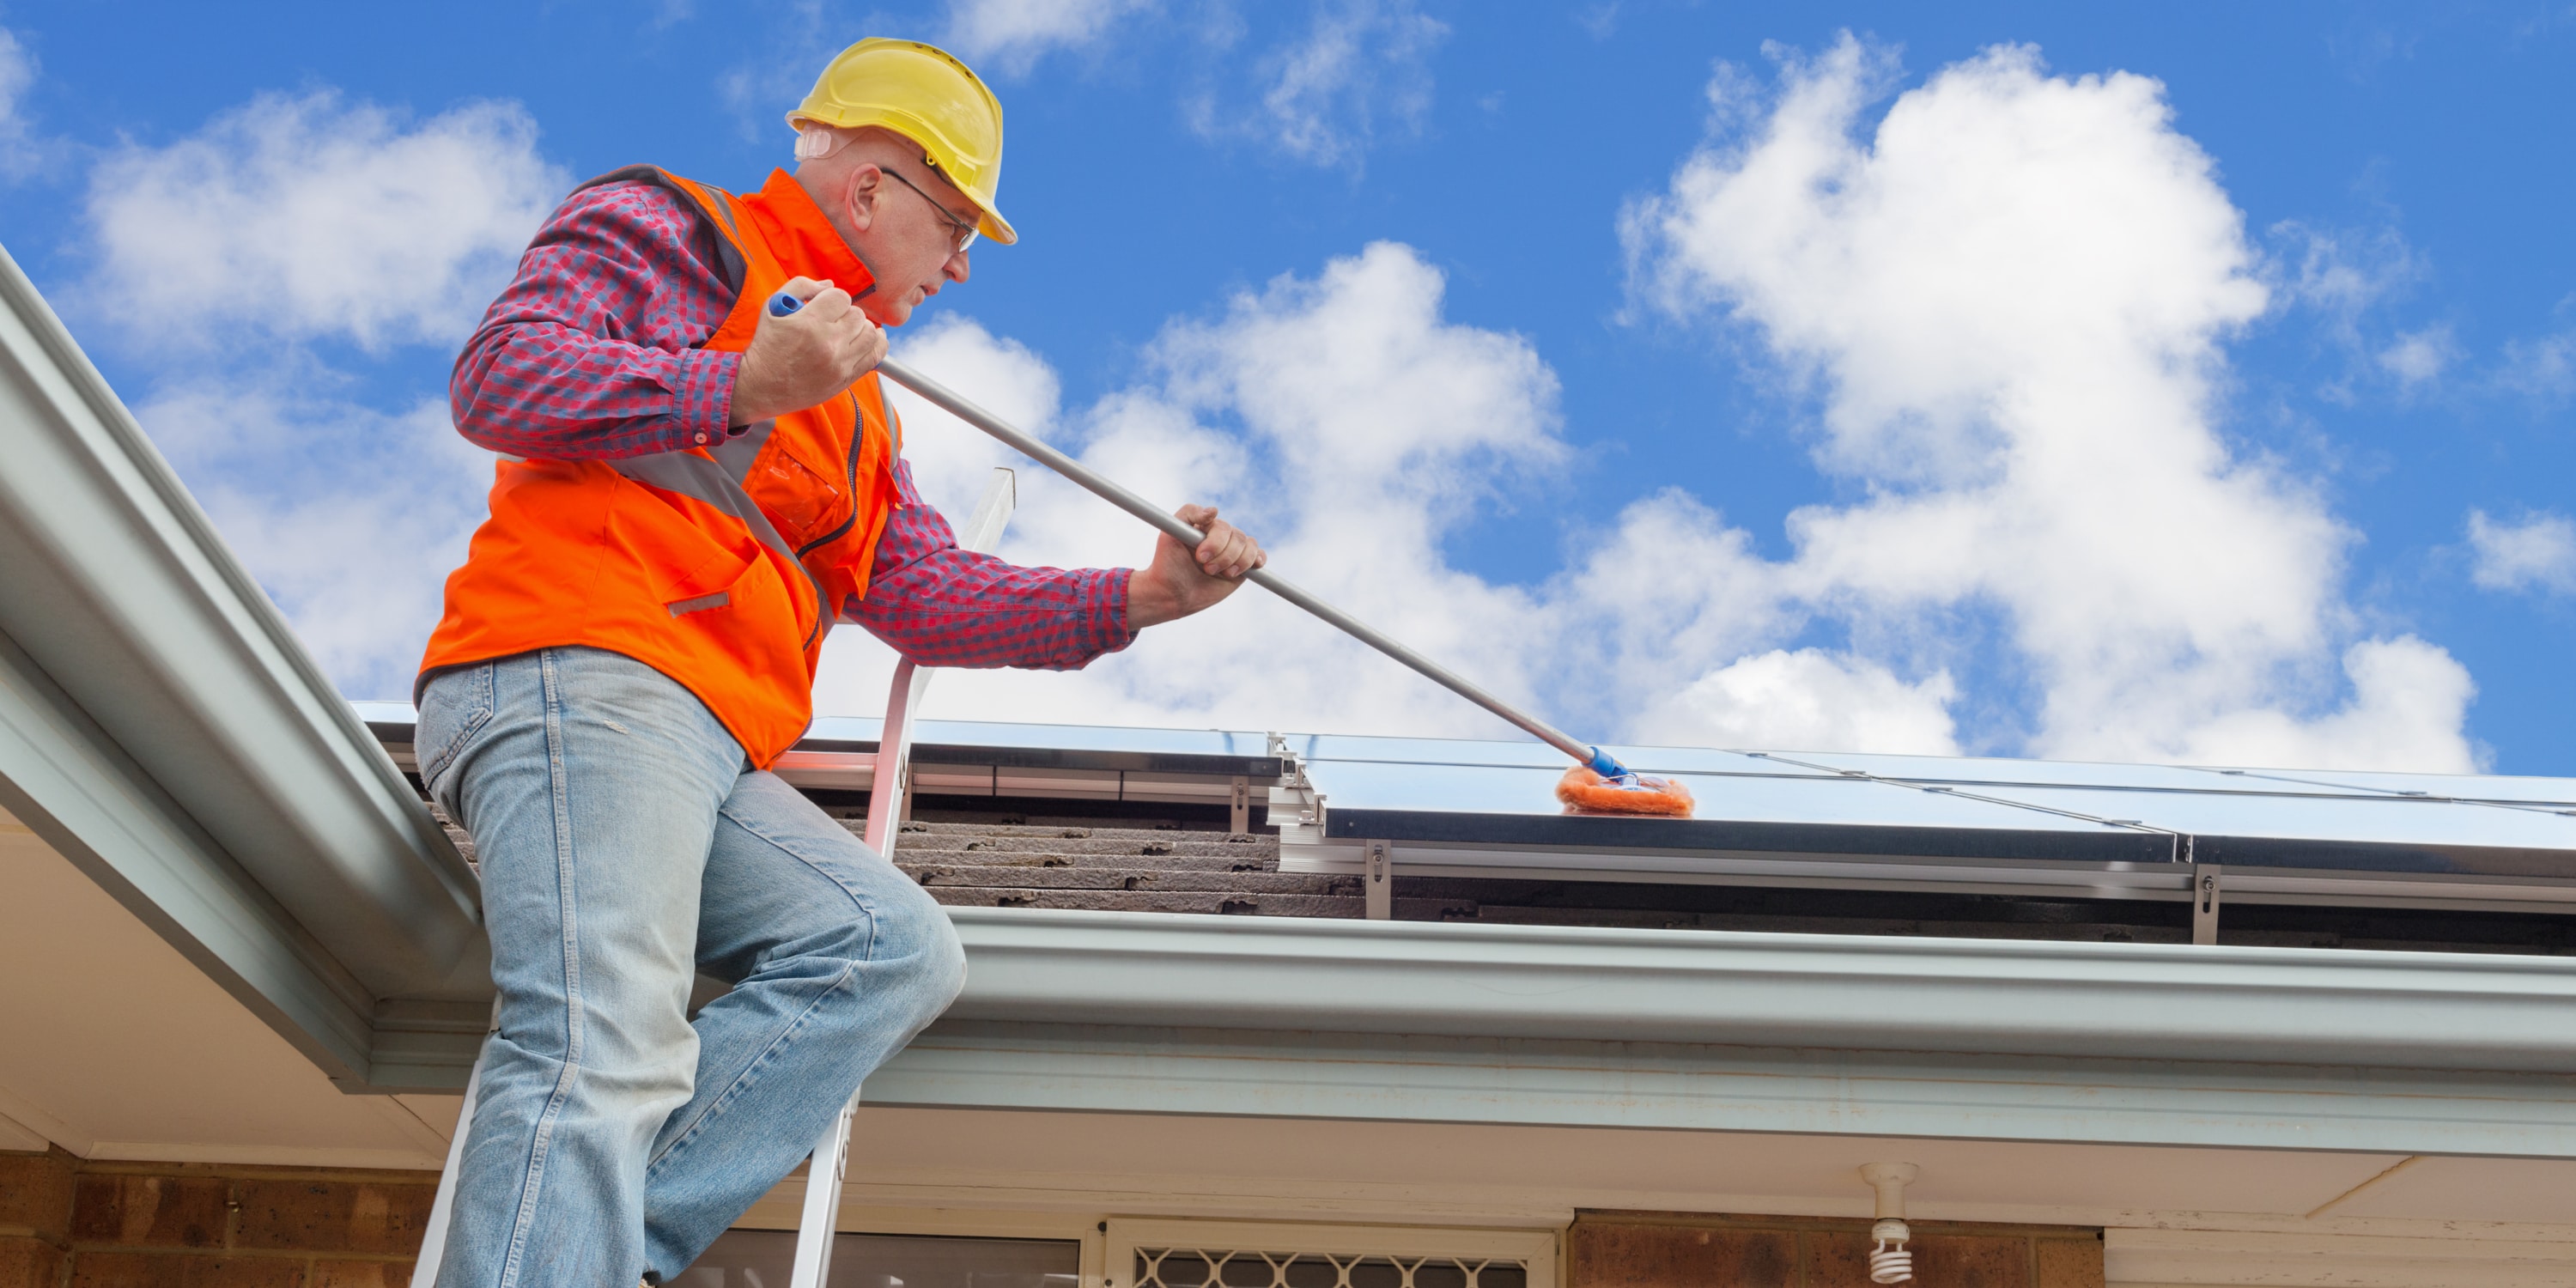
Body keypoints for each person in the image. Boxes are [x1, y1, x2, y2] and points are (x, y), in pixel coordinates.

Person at [410, 37, 1266, 1287]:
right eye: (958, 226)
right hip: (587, 667)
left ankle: (581, 1254)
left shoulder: (863, 406)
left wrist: (1140, 596)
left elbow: (924, 593)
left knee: (886, 948)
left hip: (713, 741)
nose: (964, 266)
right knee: (604, 1045)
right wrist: (743, 380)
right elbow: (503, 378)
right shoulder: (672, 227)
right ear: (874, 190)